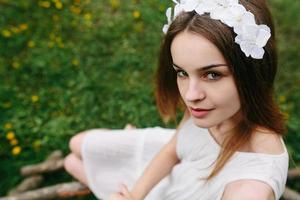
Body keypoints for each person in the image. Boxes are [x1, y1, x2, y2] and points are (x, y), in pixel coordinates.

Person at [64, 0, 289, 199]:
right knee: (76, 145)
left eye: (212, 74)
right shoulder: (211, 108)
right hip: (175, 162)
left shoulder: (248, 190)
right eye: (182, 72)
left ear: (252, 73)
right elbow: (173, 149)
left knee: (72, 163)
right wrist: (134, 195)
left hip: (178, 191)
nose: (191, 96)